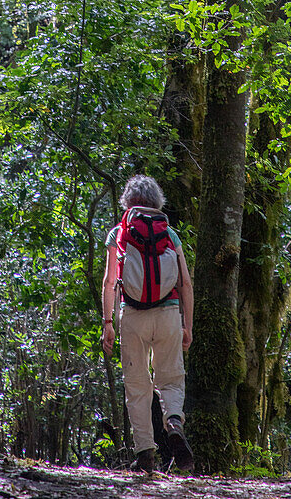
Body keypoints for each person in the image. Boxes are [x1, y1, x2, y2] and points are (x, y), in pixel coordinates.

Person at [101, 174, 194, 474]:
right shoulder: (170, 233)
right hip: (168, 314)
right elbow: (186, 284)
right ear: (158, 202)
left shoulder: (119, 233)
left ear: (127, 203)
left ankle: (145, 455)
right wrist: (187, 326)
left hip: (133, 315)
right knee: (170, 379)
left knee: (137, 386)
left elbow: (109, 282)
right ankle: (174, 422)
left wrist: (108, 323)